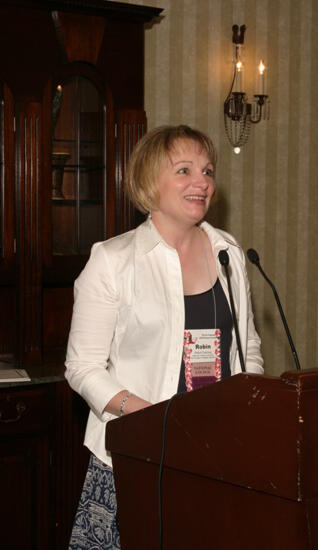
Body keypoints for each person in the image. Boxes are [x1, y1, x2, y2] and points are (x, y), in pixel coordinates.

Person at [65, 124, 264, 549]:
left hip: (214, 455)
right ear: (148, 180)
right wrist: (155, 419)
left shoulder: (228, 252)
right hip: (134, 456)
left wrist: (245, 414)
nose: (202, 182)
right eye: (184, 170)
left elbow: (247, 349)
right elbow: (82, 369)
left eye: (208, 171)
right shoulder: (112, 260)